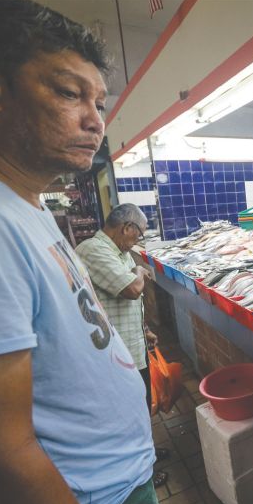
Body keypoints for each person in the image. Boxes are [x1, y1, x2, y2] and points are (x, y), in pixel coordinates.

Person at [0, 0, 165, 504]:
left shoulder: (21, 201)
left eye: (99, 101)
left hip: (112, 491)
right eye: (67, 93)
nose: (95, 120)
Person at [75, 204, 170, 488]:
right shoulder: (93, 250)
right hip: (115, 353)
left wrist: (144, 329)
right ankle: (140, 474)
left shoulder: (120, 252)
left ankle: (147, 455)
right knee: (126, 413)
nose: (138, 240)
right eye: (138, 234)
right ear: (127, 228)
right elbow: (131, 290)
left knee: (139, 407)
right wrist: (140, 271)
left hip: (131, 343)